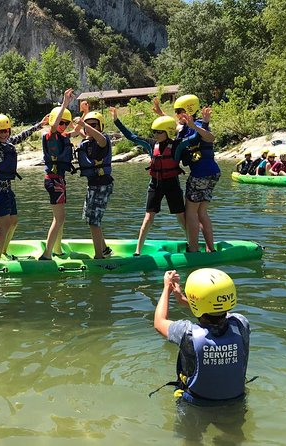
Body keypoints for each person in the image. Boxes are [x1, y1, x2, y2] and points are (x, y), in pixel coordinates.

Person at [153, 268, 251, 406]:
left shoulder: (186, 333)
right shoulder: (242, 324)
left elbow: (159, 322)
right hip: (236, 402)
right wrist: (184, 300)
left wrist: (166, 289)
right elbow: (219, 313)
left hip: (196, 405)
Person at [0, 96, 48, 260]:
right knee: (4, 225)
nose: (3, 134)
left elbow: (22, 136)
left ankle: (3, 252)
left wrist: (39, 125)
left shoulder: (8, 143)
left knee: (13, 221)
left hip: (7, 191)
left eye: (6, 131)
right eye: (0, 131)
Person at [111, 107, 186, 256]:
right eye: (155, 132)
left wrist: (200, 124)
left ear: (167, 132)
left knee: (181, 217)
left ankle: (193, 244)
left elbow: (193, 137)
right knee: (148, 217)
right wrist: (116, 121)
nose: (156, 135)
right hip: (155, 184)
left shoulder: (177, 145)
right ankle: (138, 250)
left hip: (172, 184)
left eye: (159, 132)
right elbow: (132, 137)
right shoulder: (152, 145)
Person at [174, 94, 220, 253]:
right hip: (212, 173)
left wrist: (195, 126)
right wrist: (160, 114)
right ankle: (210, 248)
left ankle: (193, 249)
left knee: (191, 212)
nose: (177, 115)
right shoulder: (186, 127)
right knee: (201, 211)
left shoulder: (198, 125)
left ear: (188, 110)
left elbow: (211, 138)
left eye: (179, 111)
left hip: (201, 174)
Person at [39, 88, 76, 261]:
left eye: (66, 123)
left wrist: (84, 116)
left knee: (60, 218)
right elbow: (54, 126)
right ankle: (47, 254)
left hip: (59, 180)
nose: (64, 126)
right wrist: (65, 103)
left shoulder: (62, 136)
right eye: (62, 122)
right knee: (59, 218)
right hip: (53, 181)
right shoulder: (50, 135)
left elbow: (76, 132)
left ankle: (58, 249)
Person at [74, 111, 114, 259]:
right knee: (90, 219)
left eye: (94, 125)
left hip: (102, 185)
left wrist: (83, 123)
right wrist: (84, 114)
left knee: (94, 221)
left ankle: (99, 256)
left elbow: (99, 138)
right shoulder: (88, 142)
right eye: (88, 125)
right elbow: (87, 136)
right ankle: (104, 249)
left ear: (100, 126)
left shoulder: (103, 141)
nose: (89, 128)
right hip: (93, 185)